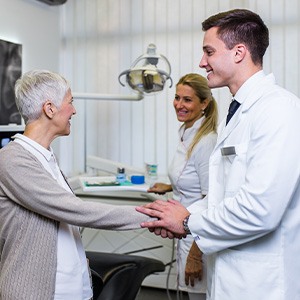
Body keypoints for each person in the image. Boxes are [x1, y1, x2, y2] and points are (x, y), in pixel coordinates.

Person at [136, 8, 300, 300]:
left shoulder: (279, 110)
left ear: (238, 52)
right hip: (229, 275)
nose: (202, 62)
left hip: (261, 284)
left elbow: (260, 209)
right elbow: (224, 194)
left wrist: (188, 222)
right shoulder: (235, 113)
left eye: (208, 52)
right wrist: (183, 214)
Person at [0, 70, 154, 300]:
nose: (74, 110)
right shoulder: (12, 160)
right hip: (36, 291)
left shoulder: (46, 158)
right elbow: (74, 210)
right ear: (49, 108)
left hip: (73, 286)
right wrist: (152, 215)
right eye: (70, 103)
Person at [148, 73, 218, 300]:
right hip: (184, 230)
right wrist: (170, 186)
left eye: (187, 100)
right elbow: (194, 177)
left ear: (204, 103)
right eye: (177, 97)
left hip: (197, 237)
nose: (179, 104)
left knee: (198, 295)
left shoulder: (206, 141)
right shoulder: (186, 132)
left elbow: (212, 200)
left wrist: (196, 254)